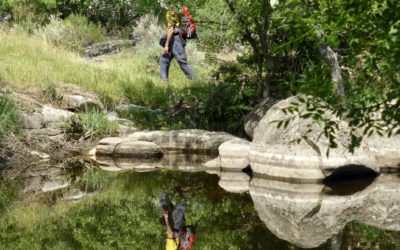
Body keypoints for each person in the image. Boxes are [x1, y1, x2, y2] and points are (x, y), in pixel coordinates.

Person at [158, 0, 198, 81]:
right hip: (178, 38)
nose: (163, 10)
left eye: (162, 7)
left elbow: (171, 30)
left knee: (182, 61)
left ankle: (196, 82)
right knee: (164, 59)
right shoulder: (178, 10)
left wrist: (166, 45)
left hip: (176, 40)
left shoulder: (170, 13)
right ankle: (163, 83)